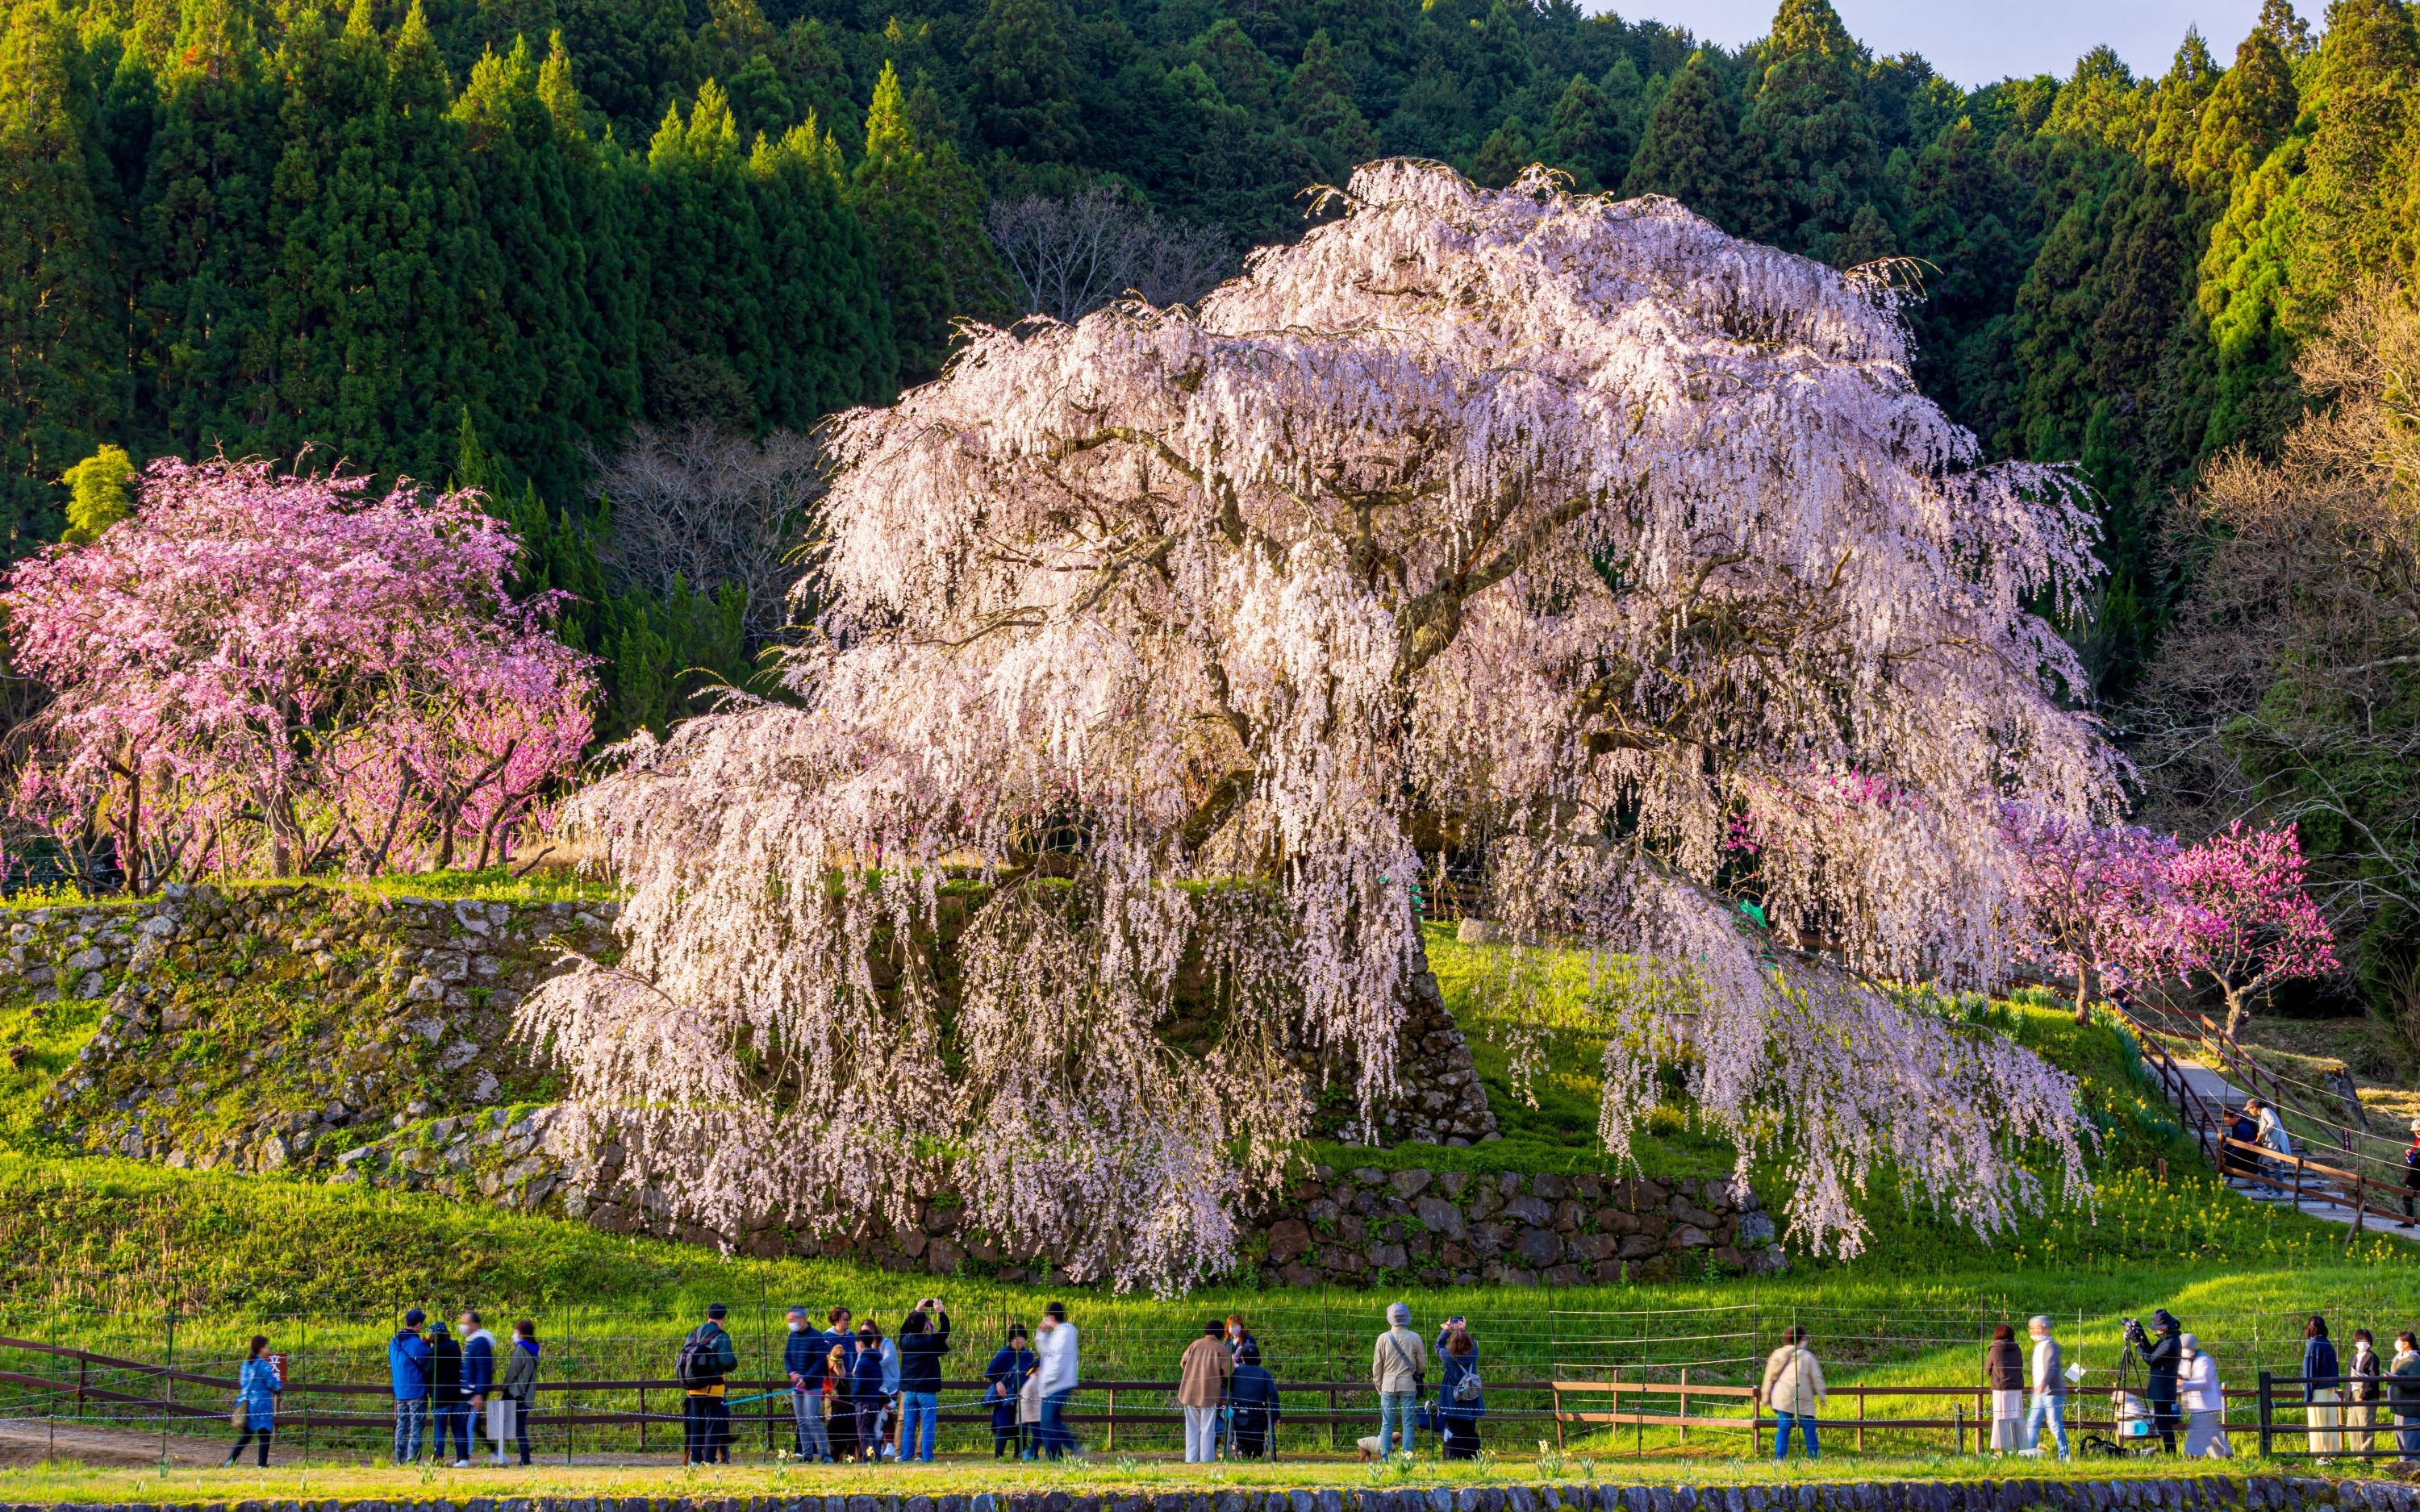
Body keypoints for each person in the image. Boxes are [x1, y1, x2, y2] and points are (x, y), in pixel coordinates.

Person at [681, 1302, 739, 1466]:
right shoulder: (722, 1336)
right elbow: (727, 1362)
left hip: (693, 1389)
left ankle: (694, 1460)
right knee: (712, 1424)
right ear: (724, 1318)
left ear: (707, 1316)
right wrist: (734, 1363)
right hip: (714, 1389)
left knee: (696, 1425)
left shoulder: (693, 1334)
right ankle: (709, 1459)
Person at [898, 1299, 953, 1464]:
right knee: (927, 1426)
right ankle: (926, 1457)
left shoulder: (904, 1341)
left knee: (909, 1425)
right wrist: (941, 1312)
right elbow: (946, 1331)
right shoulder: (930, 1341)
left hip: (909, 1391)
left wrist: (916, 1310)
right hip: (926, 1391)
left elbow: (903, 1329)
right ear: (924, 1327)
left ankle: (906, 1456)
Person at [1762, 1325, 1824, 1462]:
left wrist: (1765, 1396)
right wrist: (1822, 1396)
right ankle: (1814, 1457)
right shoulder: (1807, 1357)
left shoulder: (1777, 1354)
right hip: (1803, 1397)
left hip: (1782, 1396)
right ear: (1801, 1339)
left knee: (1784, 1427)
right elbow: (1817, 1378)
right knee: (1809, 1428)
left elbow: (1768, 1377)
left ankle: (1779, 1457)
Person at [1371, 1301, 1423, 1459]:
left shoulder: (1383, 1338)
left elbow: (1377, 1366)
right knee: (1408, 1424)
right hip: (1408, 1385)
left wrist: (1378, 1384)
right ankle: (1407, 1457)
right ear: (1407, 1318)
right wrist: (1417, 1373)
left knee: (1386, 1424)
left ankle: (1385, 1457)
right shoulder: (1415, 1337)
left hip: (1388, 1385)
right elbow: (1422, 1364)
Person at [1179, 1318, 1234, 1463]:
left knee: (1192, 1428)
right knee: (1207, 1429)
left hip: (1189, 1392)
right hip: (1208, 1394)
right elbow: (1229, 1371)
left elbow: (1183, 1363)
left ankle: (1191, 1459)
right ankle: (1206, 1459)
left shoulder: (1195, 1345)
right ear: (1220, 1333)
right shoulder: (1221, 1349)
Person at [784, 1306, 832, 1464]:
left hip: (812, 1386)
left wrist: (806, 1377)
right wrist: (792, 1373)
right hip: (797, 1386)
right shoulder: (792, 1337)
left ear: (802, 1318)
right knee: (802, 1421)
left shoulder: (816, 1336)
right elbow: (787, 1358)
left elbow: (820, 1361)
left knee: (812, 1419)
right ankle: (807, 1455)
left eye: (792, 1320)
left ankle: (825, 1454)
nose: (790, 1323)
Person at [223, 1334, 281, 1467]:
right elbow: (273, 1384)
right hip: (262, 1405)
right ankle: (262, 1464)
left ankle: (230, 1461)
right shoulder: (264, 1366)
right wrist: (279, 1387)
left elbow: (243, 1382)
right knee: (264, 1435)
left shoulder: (245, 1365)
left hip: (248, 1404)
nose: (268, 1348)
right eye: (266, 1346)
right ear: (261, 1348)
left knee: (247, 1435)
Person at [1033, 1301, 1080, 1460]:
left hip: (1058, 1383)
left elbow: (1058, 1361)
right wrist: (1041, 1333)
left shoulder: (1064, 1334)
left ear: (1052, 1316)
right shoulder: (1058, 1334)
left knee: (1048, 1421)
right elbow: (1046, 1351)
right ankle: (1054, 1457)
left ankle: (1073, 1446)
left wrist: (1046, 1380)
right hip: (1052, 1384)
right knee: (1048, 1422)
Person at [388, 1308, 434, 1465]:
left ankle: (400, 1459)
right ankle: (413, 1459)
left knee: (402, 1425)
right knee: (416, 1427)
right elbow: (429, 1363)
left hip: (400, 1391)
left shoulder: (394, 1342)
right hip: (417, 1391)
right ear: (419, 1324)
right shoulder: (417, 1343)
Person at [983, 1323, 1036, 1460]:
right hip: (1005, 1397)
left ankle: (1019, 1454)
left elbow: (1032, 1374)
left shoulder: (1029, 1355)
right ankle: (999, 1455)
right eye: (1015, 1339)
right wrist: (998, 1382)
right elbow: (990, 1371)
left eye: (1022, 1339)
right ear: (1010, 1340)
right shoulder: (1004, 1354)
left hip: (1022, 1397)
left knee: (1022, 1425)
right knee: (1003, 1424)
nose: (1019, 1342)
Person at [1434, 1317, 1483, 1461]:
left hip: (1452, 1399)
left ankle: (1453, 1455)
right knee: (1469, 1428)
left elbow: (1438, 1346)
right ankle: (1471, 1456)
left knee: (1453, 1428)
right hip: (1470, 1397)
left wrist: (1446, 1330)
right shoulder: (1474, 1354)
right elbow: (1472, 1344)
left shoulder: (1448, 1356)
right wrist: (1462, 1330)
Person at [2024, 1315, 2069, 1460]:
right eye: (2032, 1328)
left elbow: (2051, 1366)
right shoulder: (2038, 1347)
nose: (2034, 1331)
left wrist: (2043, 1383)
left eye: (2037, 1328)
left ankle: (2065, 1457)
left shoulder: (2051, 1346)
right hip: (2039, 1393)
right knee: (2032, 1424)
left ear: (2045, 1328)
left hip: (2051, 1393)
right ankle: (2029, 1455)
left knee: (2055, 1425)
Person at [2180, 1334, 2230, 1457]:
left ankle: (2192, 1455)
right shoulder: (2185, 1361)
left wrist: (2183, 1384)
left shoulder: (2204, 1360)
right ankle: (2225, 1455)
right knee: (2211, 1432)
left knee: (2199, 1432)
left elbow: (2203, 1382)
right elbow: (2181, 1377)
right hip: (2197, 1405)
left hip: (2207, 1405)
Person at [496, 1319, 538, 1466]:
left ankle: (511, 1456)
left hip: (516, 1394)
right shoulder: (533, 1350)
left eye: (516, 1330)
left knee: (504, 1424)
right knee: (520, 1428)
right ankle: (523, 1458)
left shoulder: (521, 1350)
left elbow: (512, 1372)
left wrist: (504, 1386)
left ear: (520, 1333)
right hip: (526, 1395)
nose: (514, 1333)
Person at [2142, 1310, 2184, 1454]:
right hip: (2163, 1387)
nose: (2157, 1331)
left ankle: (2171, 1452)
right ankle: (2170, 1452)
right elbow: (2152, 1351)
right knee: (2163, 1422)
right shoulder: (2168, 1338)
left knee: (2163, 1422)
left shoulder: (2170, 1343)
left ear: (2164, 1327)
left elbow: (2151, 1359)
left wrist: (2137, 1344)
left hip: (2163, 1389)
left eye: (2158, 1328)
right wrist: (2142, 1338)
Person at [458, 1310, 497, 1468]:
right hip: (470, 1391)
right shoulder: (473, 1341)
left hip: (475, 1393)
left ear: (475, 1325)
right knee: (474, 1426)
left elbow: (484, 1369)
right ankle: (497, 1453)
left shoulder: (480, 1342)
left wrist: (480, 1394)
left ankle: (465, 1458)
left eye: (466, 1323)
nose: (463, 1326)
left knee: (467, 1425)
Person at [1229, 1340, 1279, 1459]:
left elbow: (1226, 1388)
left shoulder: (1235, 1373)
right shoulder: (1264, 1373)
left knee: (1242, 1435)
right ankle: (1256, 1454)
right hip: (1258, 1415)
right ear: (1258, 1358)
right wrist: (1275, 1415)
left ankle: (1245, 1453)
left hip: (1239, 1414)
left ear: (1243, 1358)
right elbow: (1273, 1394)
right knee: (1258, 1436)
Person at [428, 1320, 469, 1467]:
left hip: (440, 1396)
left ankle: (438, 1457)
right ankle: (463, 1458)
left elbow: (427, 1371)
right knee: (459, 1428)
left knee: (439, 1429)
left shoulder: (433, 1353)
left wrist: (430, 1349)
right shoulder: (455, 1348)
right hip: (458, 1394)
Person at [824, 1308, 860, 1464]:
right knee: (833, 1416)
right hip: (833, 1384)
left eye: (848, 1319)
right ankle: (833, 1452)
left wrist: (854, 1369)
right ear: (836, 1320)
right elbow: (824, 1360)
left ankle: (851, 1452)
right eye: (845, 1319)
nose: (848, 1322)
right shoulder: (826, 1337)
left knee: (850, 1416)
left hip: (849, 1382)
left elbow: (857, 1354)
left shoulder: (851, 1336)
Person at [850, 1321, 888, 1463]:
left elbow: (859, 1383)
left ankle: (867, 1458)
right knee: (871, 1431)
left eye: (856, 1344)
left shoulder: (862, 1363)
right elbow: (879, 1381)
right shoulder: (876, 1361)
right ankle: (876, 1457)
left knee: (863, 1432)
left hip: (863, 1402)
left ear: (860, 1345)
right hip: (874, 1400)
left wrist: (854, 1396)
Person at [2305, 1315, 2343, 1456]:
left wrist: (2307, 1396)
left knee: (2318, 1423)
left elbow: (2309, 1373)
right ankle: (2332, 1453)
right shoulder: (2328, 1344)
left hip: (2318, 1391)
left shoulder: (2313, 1345)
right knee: (2330, 1422)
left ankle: (2320, 1455)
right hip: (2330, 1389)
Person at [1985, 1324, 2024, 1452]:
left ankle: (2000, 1448)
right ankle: (2017, 1446)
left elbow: (1988, 1369)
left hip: (2000, 1389)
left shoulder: (1994, 1349)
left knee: (2001, 1416)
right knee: (2016, 1415)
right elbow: (2020, 1366)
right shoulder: (2017, 1349)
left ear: (1997, 1335)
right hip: (2016, 1388)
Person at [2350, 1329, 2383, 1456]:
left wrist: (2363, 1396)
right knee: (2352, 1426)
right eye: (2360, 1340)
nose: (2363, 1343)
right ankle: (2356, 1455)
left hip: (2367, 1395)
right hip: (2354, 1394)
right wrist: (2349, 1398)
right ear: (2355, 1342)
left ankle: (2366, 1457)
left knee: (2365, 1426)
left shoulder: (2372, 1357)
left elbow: (2373, 1379)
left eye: (2366, 1340)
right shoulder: (2353, 1357)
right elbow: (2349, 1378)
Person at [2392, 1331, 2420, 1463]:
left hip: (2410, 1408)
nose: (2397, 1343)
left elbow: (2414, 1382)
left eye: (2399, 1341)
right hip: (2398, 1406)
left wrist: (2396, 1380)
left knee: (2410, 1440)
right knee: (2400, 1439)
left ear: (2406, 1343)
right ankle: (2403, 1465)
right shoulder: (2398, 1358)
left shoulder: (2415, 1361)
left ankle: (2412, 1465)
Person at [2226, 1104, 2260, 1185]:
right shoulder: (2239, 1125)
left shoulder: (2242, 1128)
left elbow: (2239, 1146)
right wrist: (2223, 1151)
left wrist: (2226, 1158)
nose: (2227, 1124)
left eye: (2227, 1121)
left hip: (2249, 1158)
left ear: (2234, 1117)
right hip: (2247, 1155)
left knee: (2231, 1158)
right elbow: (2233, 1141)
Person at [2402, 1120, 2420, 1227]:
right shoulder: (2417, 1141)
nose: (2417, 1133)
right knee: (2407, 1195)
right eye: (2416, 1132)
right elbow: (2413, 1154)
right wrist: (2409, 1153)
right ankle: (2409, 1222)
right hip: (2415, 1174)